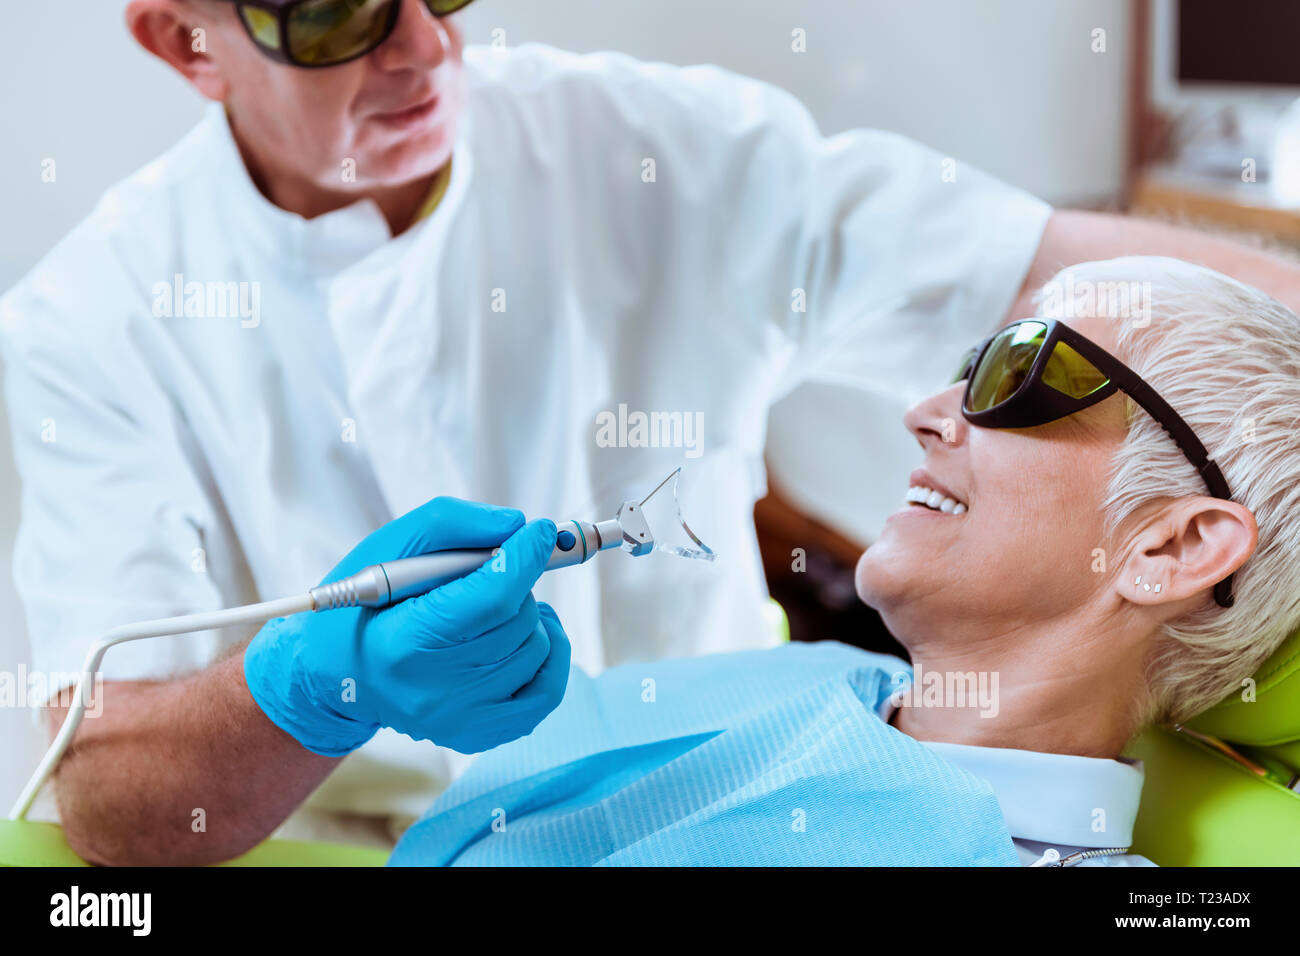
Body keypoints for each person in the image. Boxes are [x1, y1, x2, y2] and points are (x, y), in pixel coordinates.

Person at [3, 0, 1300, 865]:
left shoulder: (659, 146)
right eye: (334, 8)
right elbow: (109, 799)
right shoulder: (92, 320)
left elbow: (1045, 269)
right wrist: (314, 687)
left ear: (1182, 543)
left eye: (1014, 375)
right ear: (184, 41)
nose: (422, 51)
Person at [389, 257, 1300, 866]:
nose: (929, 410)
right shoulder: (817, 682)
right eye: (968, 362)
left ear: (1174, 548)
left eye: (1023, 373)